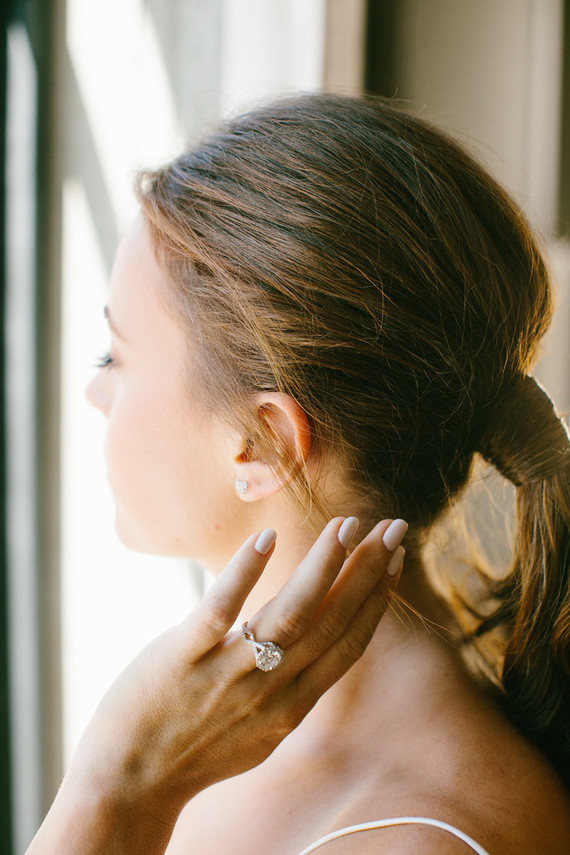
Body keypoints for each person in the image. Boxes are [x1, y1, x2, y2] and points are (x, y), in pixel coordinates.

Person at [26, 93, 570, 854]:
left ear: (265, 443)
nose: (94, 391)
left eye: (114, 356)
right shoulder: (217, 725)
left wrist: (114, 786)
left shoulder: (418, 838)